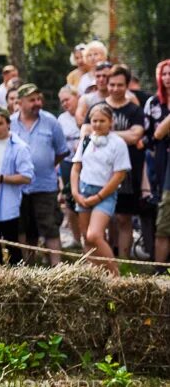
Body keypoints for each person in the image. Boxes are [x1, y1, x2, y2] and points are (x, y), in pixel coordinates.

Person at [82, 65, 145, 260]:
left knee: (123, 218)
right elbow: (85, 131)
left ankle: (124, 260)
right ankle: (102, 259)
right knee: (102, 222)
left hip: (125, 171)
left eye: (120, 85)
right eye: (112, 84)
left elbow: (136, 135)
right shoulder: (97, 108)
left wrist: (105, 134)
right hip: (97, 174)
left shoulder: (134, 110)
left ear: (127, 86)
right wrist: (118, 135)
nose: (115, 88)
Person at [11, 84, 69, 266]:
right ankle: (26, 266)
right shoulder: (10, 123)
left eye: (39, 99)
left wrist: (46, 165)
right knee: (24, 228)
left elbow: (62, 151)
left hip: (45, 186)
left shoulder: (51, 121)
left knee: (50, 228)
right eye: (32, 100)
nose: (37, 103)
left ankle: (57, 267)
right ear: (19, 103)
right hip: (18, 187)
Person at [71, 104, 130, 276]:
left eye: (102, 121)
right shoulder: (87, 139)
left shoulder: (118, 143)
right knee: (85, 237)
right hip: (83, 190)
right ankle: (96, 274)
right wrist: (75, 193)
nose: (97, 124)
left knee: (94, 235)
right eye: (94, 120)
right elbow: (76, 168)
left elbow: (119, 175)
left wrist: (98, 196)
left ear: (111, 122)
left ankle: (115, 276)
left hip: (105, 193)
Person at [0, 107, 35, 265]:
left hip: (10, 204)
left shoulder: (19, 147)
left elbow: (27, 177)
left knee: (12, 243)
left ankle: (17, 271)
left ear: (8, 124)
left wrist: (1, 178)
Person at [145, 59, 170, 272]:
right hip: (161, 162)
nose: (168, 78)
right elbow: (157, 134)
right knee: (163, 214)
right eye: (164, 74)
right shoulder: (154, 103)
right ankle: (159, 271)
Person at [57, 85, 83, 247]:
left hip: (86, 165)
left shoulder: (86, 114)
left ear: (77, 96)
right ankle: (75, 238)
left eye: (67, 99)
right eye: (62, 102)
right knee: (69, 201)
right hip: (67, 163)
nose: (65, 104)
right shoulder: (61, 119)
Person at [76, 61, 113, 126]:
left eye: (105, 76)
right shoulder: (85, 99)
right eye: (98, 76)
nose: (101, 79)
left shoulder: (124, 98)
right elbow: (79, 121)